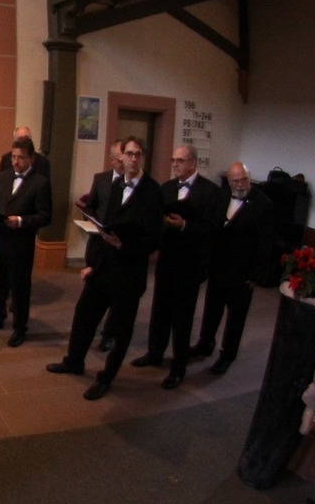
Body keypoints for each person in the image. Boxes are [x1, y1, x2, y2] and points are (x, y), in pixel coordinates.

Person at [47, 136, 162, 400]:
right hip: (104, 267)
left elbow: (155, 239)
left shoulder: (152, 191)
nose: (132, 159)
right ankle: (74, 361)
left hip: (130, 273)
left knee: (121, 330)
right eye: (129, 154)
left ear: (142, 158)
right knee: (84, 313)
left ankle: (106, 377)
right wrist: (93, 266)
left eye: (137, 155)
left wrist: (124, 245)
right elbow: (104, 231)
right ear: (122, 157)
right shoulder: (117, 184)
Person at [132, 144, 221, 388]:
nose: (174, 164)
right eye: (173, 160)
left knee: (182, 318)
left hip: (190, 265)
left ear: (193, 163)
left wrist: (184, 225)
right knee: (159, 311)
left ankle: (178, 367)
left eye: (179, 160)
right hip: (167, 260)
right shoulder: (167, 188)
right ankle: (154, 353)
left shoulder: (210, 191)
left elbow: (212, 230)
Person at [194, 161, 274, 375]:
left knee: (236, 316)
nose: (239, 184)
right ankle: (205, 343)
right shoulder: (221, 196)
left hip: (243, 272)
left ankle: (227, 355)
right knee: (212, 308)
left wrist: (256, 275)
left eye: (243, 180)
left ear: (249, 178)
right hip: (219, 266)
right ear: (228, 181)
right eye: (235, 181)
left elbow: (266, 243)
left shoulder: (263, 204)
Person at [0, 137, 53, 346]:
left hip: (21, 244)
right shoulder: (4, 176)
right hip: (0, 239)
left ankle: (20, 328)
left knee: (19, 288)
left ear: (31, 159)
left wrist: (21, 221)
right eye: (13, 157)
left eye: (20, 158)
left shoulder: (41, 183)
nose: (15, 161)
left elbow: (45, 216)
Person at [78, 140, 124, 352]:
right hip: (98, 245)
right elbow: (89, 207)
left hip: (120, 248)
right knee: (92, 292)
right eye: (119, 160)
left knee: (116, 295)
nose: (124, 165)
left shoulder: (135, 185)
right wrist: (94, 222)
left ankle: (109, 333)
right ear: (112, 160)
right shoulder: (101, 179)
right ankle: (86, 330)